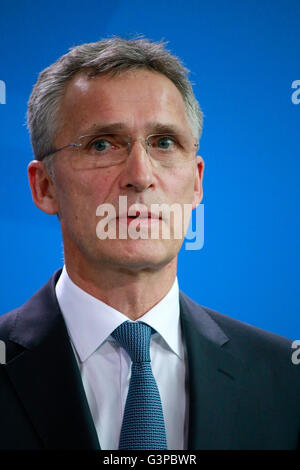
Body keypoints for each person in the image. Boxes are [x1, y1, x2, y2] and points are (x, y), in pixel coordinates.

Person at [0, 37, 299, 451]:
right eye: (102, 144)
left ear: (196, 182)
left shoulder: (287, 377)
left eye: (163, 142)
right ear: (45, 186)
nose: (140, 175)